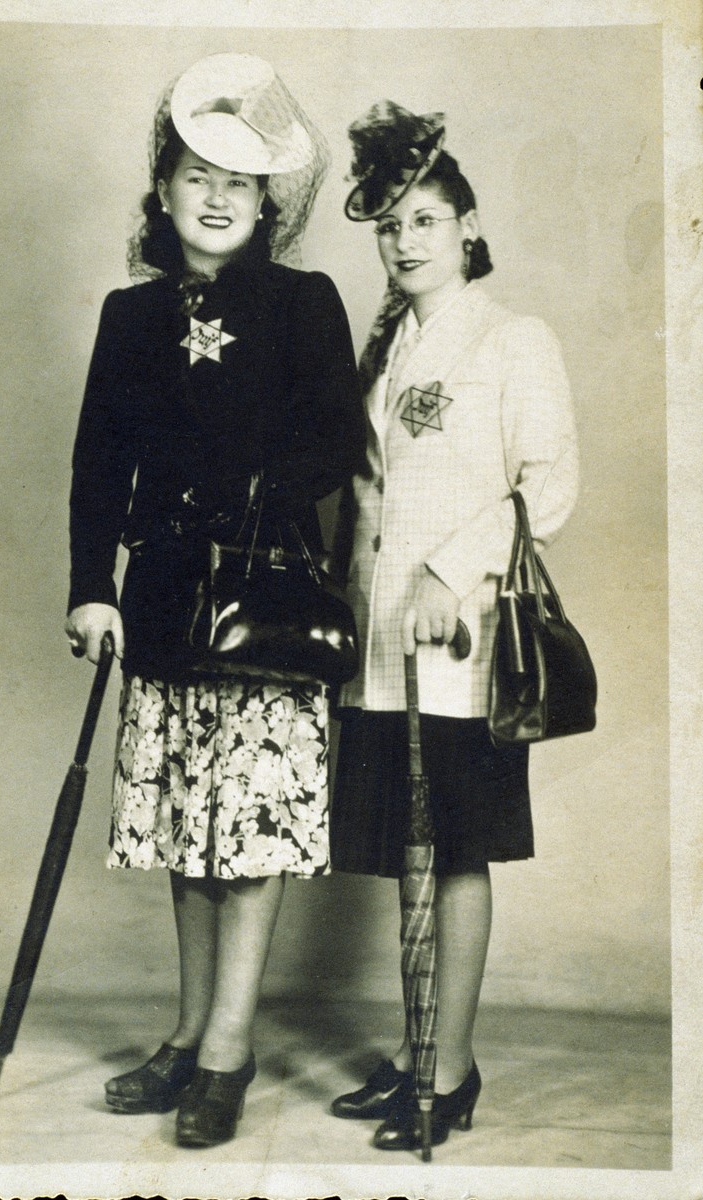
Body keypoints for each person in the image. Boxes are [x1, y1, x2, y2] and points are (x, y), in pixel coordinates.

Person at [65, 52, 363, 1149]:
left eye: (242, 178)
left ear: (269, 199)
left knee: (252, 834)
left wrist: (237, 492)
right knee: (191, 832)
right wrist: (93, 588)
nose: (220, 195)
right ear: (165, 189)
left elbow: (338, 441)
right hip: (163, 604)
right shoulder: (129, 315)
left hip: (267, 599)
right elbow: (98, 465)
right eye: (198, 172)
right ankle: (190, 1033)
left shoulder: (301, 302)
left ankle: (230, 1050)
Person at [328, 101, 579, 1152]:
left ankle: (451, 1067)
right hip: (381, 646)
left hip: (462, 642)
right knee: (407, 852)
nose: (406, 240)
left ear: (467, 229)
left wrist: (449, 570)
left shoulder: (513, 337)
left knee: (456, 851)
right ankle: (414, 1056)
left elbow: (549, 485)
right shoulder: (388, 348)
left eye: (426, 219)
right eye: (390, 224)